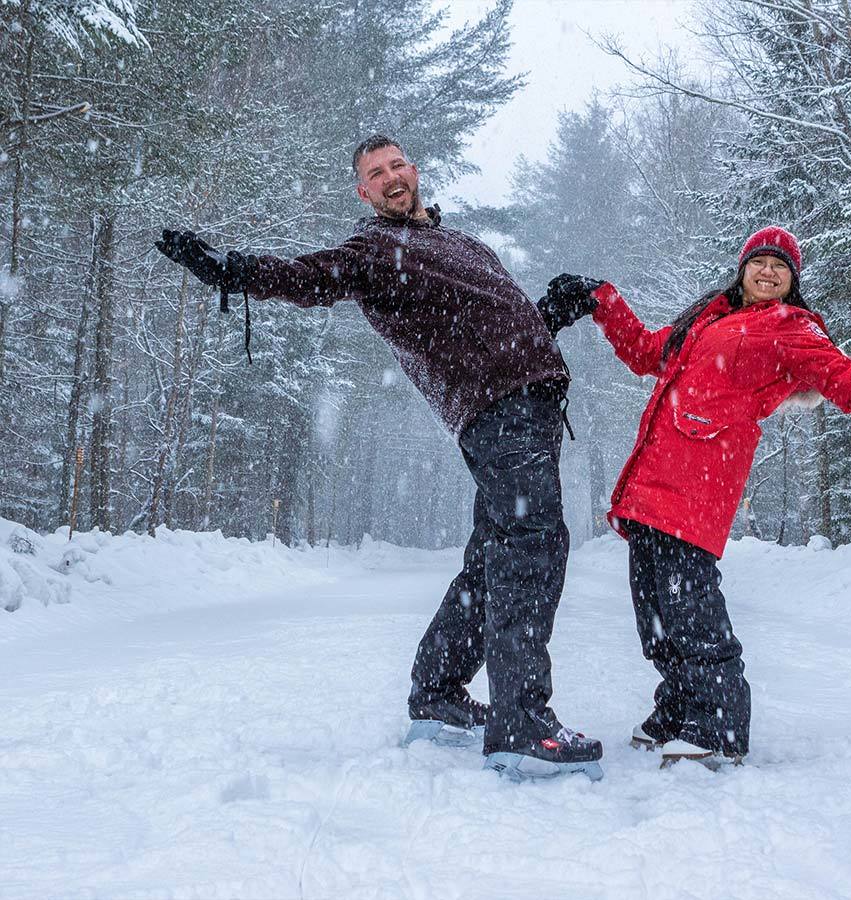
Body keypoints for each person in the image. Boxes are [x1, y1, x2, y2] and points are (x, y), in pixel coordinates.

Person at [154, 134, 603, 783]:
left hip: (523, 406)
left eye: (396, 164)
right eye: (375, 173)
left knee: (495, 557)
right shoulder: (372, 250)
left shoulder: (464, 246)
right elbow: (308, 277)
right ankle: (521, 724)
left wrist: (548, 317)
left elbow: (492, 323)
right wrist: (233, 270)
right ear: (363, 192)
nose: (390, 176)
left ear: (414, 172)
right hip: (495, 407)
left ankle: (439, 693)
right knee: (533, 548)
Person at [542, 226, 851, 770]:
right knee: (654, 614)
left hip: (700, 482)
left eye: (781, 267)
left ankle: (718, 725)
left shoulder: (790, 328)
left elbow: (847, 383)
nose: (768, 272)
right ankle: (678, 706)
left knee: (690, 608)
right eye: (760, 262)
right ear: (742, 268)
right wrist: (601, 299)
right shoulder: (708, 320)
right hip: (650, 479)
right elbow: (647, 353)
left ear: (792, 282)